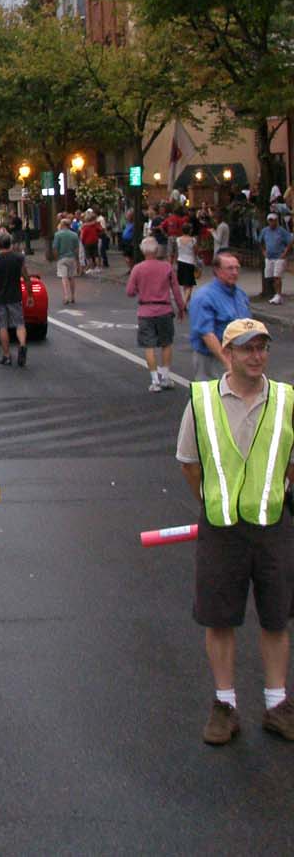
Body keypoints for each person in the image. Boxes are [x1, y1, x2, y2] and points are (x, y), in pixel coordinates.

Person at [175, 318, 294, 745]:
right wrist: (215, 501)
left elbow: (290, 462)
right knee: (219, 618)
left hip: (272, 525)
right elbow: (189, 463)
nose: (257, 356)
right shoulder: (202, 400)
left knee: (277, 617)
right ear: (228, 354)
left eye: (262, 347)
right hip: (221, 528)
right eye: (247, 349)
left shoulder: (286, 400)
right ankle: (224, 705)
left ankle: (277, 704)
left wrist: (272, 494)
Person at [126, 237, 186, 392]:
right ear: (157, 250)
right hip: (164, 310)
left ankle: (155, 380)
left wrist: (142, 289)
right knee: (166, 343)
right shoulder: (167, 267)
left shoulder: (138, 269)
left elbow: (130, 292)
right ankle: (165, 376)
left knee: (149, 345)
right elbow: (176, 291)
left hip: (146, 311)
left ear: (142, 251)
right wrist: (181, 308)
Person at [189, 252, 252, 381]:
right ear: (217, 271)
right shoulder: (204, 296)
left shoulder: (240, 294)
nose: (234, 272)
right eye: (230, 268)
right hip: (212, 358)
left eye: (237, 268)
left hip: (239, 355)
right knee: (211, 397)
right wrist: (227, 363)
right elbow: (207, 334)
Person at [0, 231, 34, 368]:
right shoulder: (18, 258)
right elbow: (26, 277)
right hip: (15, 296)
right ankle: (23, 344)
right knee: (19, 323)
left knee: (2, 326)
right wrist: (30, 295)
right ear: (10, 243)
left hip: (0, 297)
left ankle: (6, 355)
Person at [258, 211, 293, 306]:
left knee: (277, 276)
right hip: (269, 257)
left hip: (279, 257)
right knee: (271, 277)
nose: (271, 222)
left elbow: (290, 241)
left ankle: (278, 295)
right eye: (270, 221)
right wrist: (264, 252)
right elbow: (260, 242)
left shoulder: (281, 231)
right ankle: (275, 294)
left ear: (276, 221)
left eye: (273, 220)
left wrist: (285, 253)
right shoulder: (265, 231)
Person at [51, 217, 80, 305]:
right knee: (72, 277)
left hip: (62, 258)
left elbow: (55, 248)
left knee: (64, 278)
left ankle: (66, 296)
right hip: (71, 258)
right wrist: (77, 260)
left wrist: (56, 257)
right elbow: (77, 248)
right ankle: (73, 296)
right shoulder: (74, 235)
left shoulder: (58, 235)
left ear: (62, 225)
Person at [174, 221, 199, 306]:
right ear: (190, 231)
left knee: (184, 283)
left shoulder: (178, 240)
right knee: (190, 284)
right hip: (190, 262)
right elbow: (196, 252)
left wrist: (175, 262)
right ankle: (184, 303)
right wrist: (197, 262)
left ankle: (187, 301)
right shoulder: (193, 240)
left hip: (180, 261)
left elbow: (176, 251)